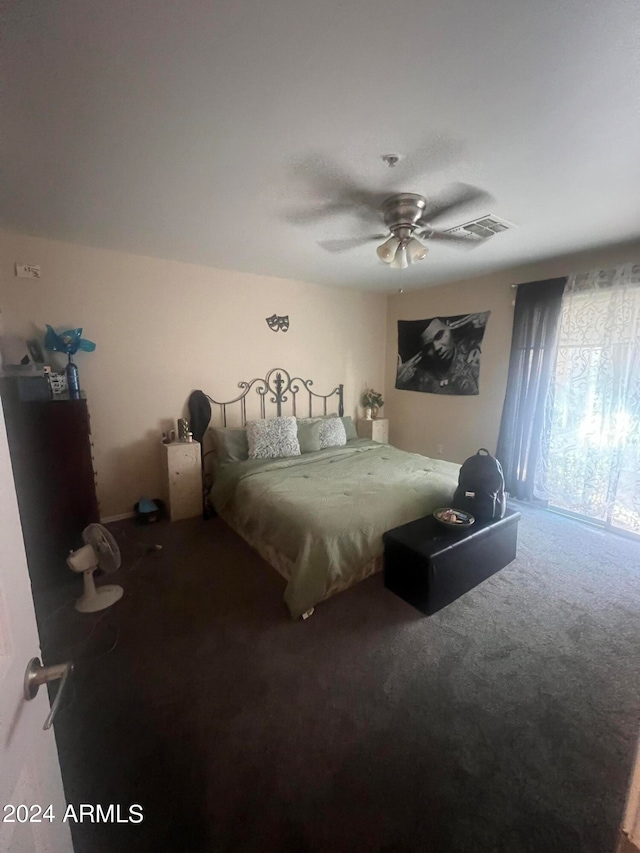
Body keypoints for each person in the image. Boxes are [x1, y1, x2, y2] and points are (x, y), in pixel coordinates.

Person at [396, 312, 489, 395]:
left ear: (449, 329)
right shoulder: (421, 379)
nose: (437, 348)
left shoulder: (473, 345)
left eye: (439, 336)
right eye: (428, 347)